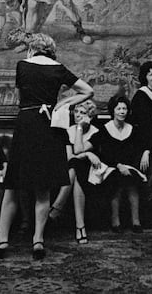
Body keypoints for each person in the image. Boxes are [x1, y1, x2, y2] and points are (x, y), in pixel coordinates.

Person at [0, 33, 93, 259]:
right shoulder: (58, 68)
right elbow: (88, 91)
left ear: (31, 49)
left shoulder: (22, 66)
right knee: (43, 189)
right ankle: (38, 241)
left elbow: (17, 98)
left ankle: (2, 240)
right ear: (51, 50)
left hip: (27, 123)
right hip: (49, 127)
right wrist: (63, 102)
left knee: (12, 186)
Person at [89, 95, 148, 234]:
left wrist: (146, 151)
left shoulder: (133, 129)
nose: (122, 112)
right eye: (119, 109)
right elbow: (104, 155)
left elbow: (144, 143)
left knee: (132, 181)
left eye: (124, 109)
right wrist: (118, 165)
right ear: (113, 111)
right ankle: (115, 221)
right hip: (111, 167)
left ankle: (136, 221)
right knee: (117, 182)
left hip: (129, 166)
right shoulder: (104, 130)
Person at [48, 100, 99, 244]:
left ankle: (57, 208)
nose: (78, 115)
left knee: (77, 169)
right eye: (76, 112)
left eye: (82, 113)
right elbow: (71, 156)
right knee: (76, 169)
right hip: (70, 168)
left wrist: (80, 129)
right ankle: (80, 227)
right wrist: (88, 154)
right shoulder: (67, 131)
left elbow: (77, 150)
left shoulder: (97, 132)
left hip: (93, 172)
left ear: (90, 116)